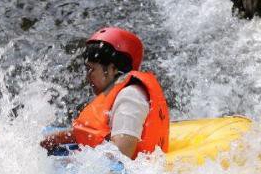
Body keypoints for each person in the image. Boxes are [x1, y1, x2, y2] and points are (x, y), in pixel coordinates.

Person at [41, 27, 169, 159]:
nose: (87, 77)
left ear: (113, 69)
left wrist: (68, 163)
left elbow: (121, 157)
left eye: (91, 69)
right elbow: (94, 133)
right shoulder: (119, 93)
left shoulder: (130, 98)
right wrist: (56, 138)